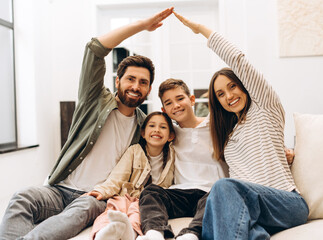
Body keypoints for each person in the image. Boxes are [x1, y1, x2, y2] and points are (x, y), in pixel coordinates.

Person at [0, 8, 173, 240]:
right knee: (22, 197)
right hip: (58, 189)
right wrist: (142, 25)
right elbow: (94, 49)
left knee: (81, 210)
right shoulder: (94, 101)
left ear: (149, 89)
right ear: (117, 81)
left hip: (96, 198)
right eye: (130, 79)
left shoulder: (146, 127)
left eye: (143, 82)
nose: (136, 86)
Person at [173, 12, 309, 240]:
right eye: (220, 94)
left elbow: (238, 60)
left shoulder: (265, 108)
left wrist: (201, 29)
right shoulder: (227, 136)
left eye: (233, 86)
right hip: (252, 209)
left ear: (245, 86)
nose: (229, 95)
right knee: (238, 220)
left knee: (224, 187)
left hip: (285, 202)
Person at [137, 78, 229, 240]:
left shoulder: (216, 126)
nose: (176, 106)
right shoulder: (170, 134)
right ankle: (155, 233)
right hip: (180, 192)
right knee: (151, 192)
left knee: (215, 199)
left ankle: (191, 234)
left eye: (180, 99)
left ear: (192, 100)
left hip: (210, 193)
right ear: (164, 110)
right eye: (169, 103)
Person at [86, 111, 176, 240]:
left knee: (137, 214)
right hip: (126, 196)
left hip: (150, 201)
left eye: (163, 127)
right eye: (152, 126)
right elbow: (117, 177)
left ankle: (131, 233)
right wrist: (101, 191)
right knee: (112, 210)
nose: (157, 130)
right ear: (143, 133)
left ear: (170, 136)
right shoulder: (134, 151)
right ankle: (103, 233)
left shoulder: (172, 156)